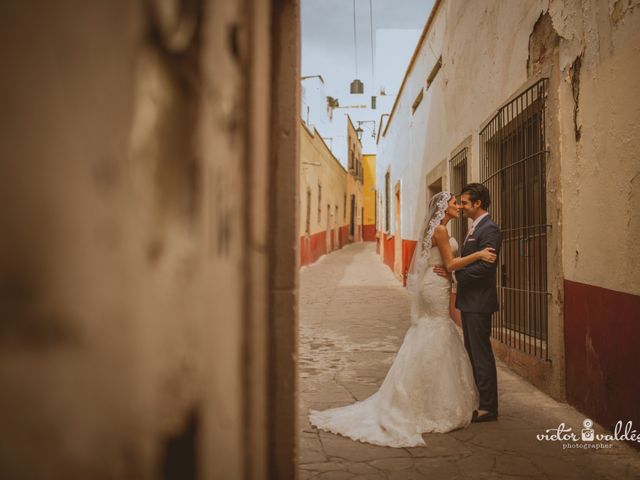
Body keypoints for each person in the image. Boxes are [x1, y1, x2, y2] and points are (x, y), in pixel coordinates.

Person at [308, 191, 496, 447]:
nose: (458, 207)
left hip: (437, 284)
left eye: (459, 203)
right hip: (436, 286)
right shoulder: (440, 231)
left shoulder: (442, 230)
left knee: (434, 333)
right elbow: (450, 264)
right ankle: (428, 401)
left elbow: (443, 262)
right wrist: (479, 255)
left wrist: (450, 270)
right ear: (443, 209)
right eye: (454, 203)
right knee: (437, 331)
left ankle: (425, 396)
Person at [434, 183, 502, 423]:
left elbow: (486, 266)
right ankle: (481, 400)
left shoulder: (490, 229)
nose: (461, 207)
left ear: (477, 203)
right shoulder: (474, 228)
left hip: (479, 301)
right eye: (459, 203)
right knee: (473, 352)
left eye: (464, 202)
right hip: (470, 301)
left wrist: (455, 275)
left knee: (481, 354)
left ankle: (488, 407)